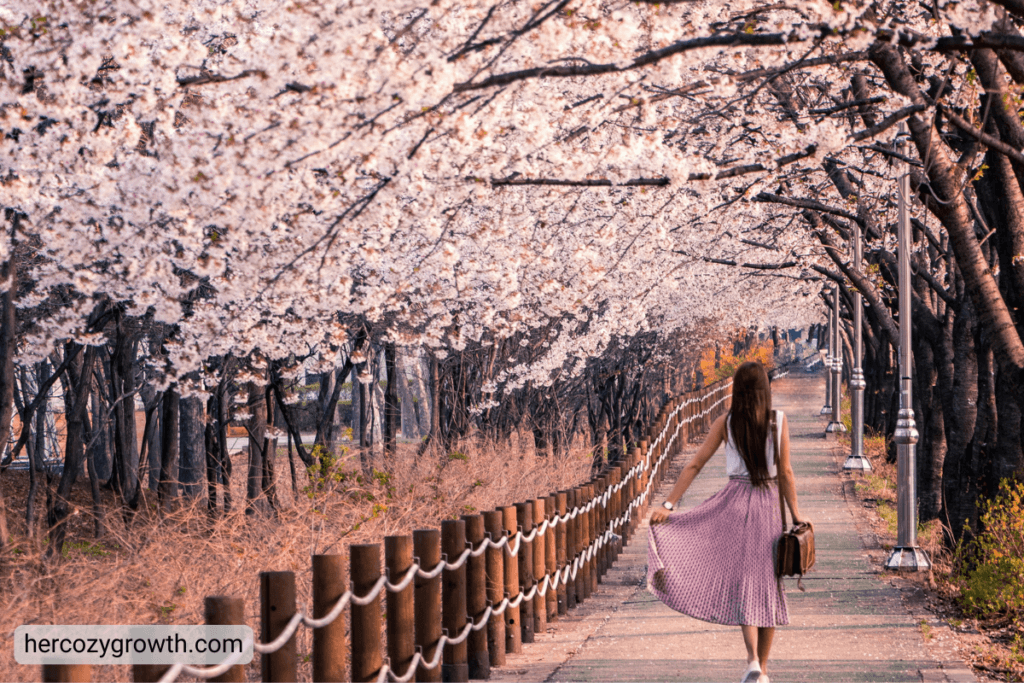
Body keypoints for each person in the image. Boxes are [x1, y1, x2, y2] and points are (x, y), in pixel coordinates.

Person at [648, 361, 806, 683]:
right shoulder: (777, 421)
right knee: (769, 586)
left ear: (737, 389)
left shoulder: (726, 422)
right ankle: (763, 668)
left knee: (743, 584)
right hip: (767, 507)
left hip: (732, 503)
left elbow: (695, 464)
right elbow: (786, 472)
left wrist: (669, 504)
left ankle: (751, 661)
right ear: (765, 389)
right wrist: (797, 516)